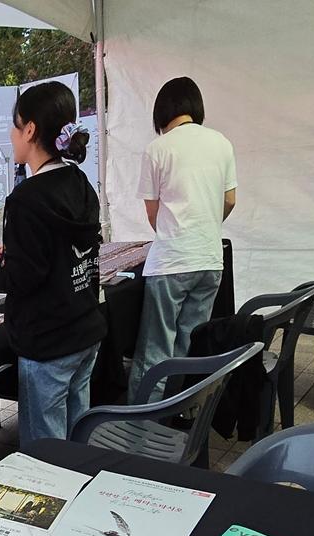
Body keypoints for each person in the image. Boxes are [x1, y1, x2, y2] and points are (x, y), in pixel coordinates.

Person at [0, 81, 105, 445]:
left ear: (29, 129)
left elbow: (23, 277)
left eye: (14, 125)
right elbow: (59, 253)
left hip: (48, 340)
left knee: (45, 450)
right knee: (78, 436)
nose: (11, 134)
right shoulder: (78, 181)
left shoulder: (27, 198)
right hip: (84, 329)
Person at [129, 76, 238, 402]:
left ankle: (142, 423)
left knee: (155, 350)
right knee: (190, 344)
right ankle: (184, 411)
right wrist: (204, 222)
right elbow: (230, 200)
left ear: (162, 112)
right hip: (209, 259)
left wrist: (178, 229)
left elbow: (153, 213)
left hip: (171, 262)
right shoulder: (221, 142)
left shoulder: (157, 149)